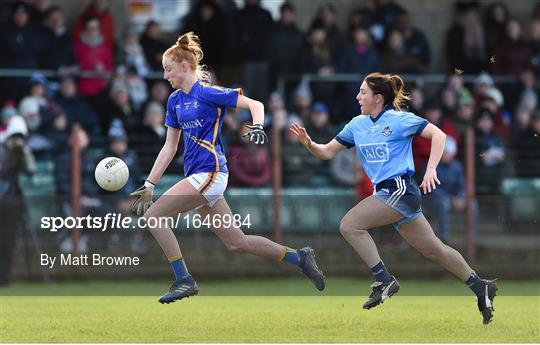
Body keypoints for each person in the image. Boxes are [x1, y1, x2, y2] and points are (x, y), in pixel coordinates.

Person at [130, 32, 325, 304]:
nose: (165, 76)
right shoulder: (174, 101)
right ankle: (300, 257)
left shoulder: (209, 93)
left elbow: (255, 104)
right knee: (237, 242)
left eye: (168, 69)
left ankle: (184, 279)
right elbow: (169, 147)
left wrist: (257, 124)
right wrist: (150, 184)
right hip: (199, 178)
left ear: (185, 67)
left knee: (153, 217)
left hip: (211, 173)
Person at [289, 72, 497, 324]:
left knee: (349, 225)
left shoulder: (399, 120)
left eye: (363, 92)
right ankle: (480, 286)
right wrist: (309, 143)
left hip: (400, 190)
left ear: (377, 98)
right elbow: (327, 152)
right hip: (390, 194)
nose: (358, 96)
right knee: (434, 250)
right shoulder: (356, 125)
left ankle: (384, 279)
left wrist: (431, 168)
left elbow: (439, 135)